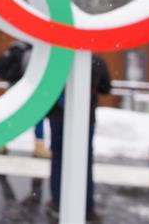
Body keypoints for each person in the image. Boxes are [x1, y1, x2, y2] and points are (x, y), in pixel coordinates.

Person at [47, 54, 112, 222]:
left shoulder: (58, 58)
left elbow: (47, 85)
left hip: (58, 116)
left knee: (58, 157)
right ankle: (87, 205)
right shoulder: (95, 60)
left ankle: (57, 200)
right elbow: (106, 87)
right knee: (85, 160)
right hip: (85, 117)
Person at [0, 41, 50, 158]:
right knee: (38, 116)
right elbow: (31, 73)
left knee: (10, 116)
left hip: (12, 88)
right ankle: (39, 146)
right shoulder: (31, 52)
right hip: (27, 90)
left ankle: (1, 143)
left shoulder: (12, 49)